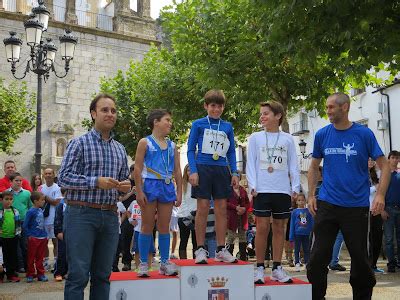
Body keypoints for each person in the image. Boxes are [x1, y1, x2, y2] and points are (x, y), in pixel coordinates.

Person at [307, 92, 390, 300]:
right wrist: (310, 195)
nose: (327, 111)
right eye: (326, 107)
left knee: (360, 260)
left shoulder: (364, 134)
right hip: (327, 204)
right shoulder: (322, 134)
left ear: (345, 107)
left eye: (331, 107)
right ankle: (316, 296)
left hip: (356, 207)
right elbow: (314, 166)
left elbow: (384, 166)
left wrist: (380, 195)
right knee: (317, 258)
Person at [58, 93, 130, 300]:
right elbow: (63, 178)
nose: (110, 114)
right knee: (78, 275)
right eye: (105, 110)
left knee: (103, 276)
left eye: (113, 111)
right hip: (81, 214)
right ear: (93, 113)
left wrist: (124, 187)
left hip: (109, 216)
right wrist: (95, 181)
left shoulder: (120, 149)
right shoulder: (78, 143)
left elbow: (120, 182)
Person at [247, 101, 300, 284]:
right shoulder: (255, 137)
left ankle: (277, 267)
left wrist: (295, 187)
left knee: (279, 228)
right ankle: (260, 267)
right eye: (261, 114)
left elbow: (293, 163)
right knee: (262, 228)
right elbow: (251, 163)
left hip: (282, 189)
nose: (262, 117)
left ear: (278, 116)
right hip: (262, 189)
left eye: (266, 113)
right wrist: (252, 185)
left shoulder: (287, 139)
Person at [187, 89, 239, 264]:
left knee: (221, 210)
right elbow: (190, 149)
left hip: (221, 169)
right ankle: (200, 249)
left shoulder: (227, 126)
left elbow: (231, 151)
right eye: (213, 106)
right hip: (202, 168)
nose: (216, 109)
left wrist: (235, 172)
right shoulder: (198, 124)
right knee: (202, 208)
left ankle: (220, 249)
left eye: (220, 106)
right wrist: (193, 170)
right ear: (206, 106)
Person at [133, 109, 182, 277]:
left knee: (164, 226)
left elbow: (177, 170)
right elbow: (137, 168)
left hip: (167, 186)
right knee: (146, 226)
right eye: (167, 120)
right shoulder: (145, 142)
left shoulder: (172, 145)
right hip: (150, 184)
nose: (170, 123)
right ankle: (144, 264)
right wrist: (139, 191)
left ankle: (164, 262)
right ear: (156, 122)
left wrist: (180, 192)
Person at [7, 172, 32, 273]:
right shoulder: (7, 193)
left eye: (20, 180)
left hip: (24, 222)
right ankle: (19, 266)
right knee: (14, 245)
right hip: (11, 223)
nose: (18, 182)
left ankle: (27, 265)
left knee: (25, 244)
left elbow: (30, 208)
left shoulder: (27, 193)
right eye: (16, 180)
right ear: (11, 182)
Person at [381, 150, 400, 273]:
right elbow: (380, 193)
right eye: (392, 157)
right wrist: (382, 209)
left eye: (397, 157)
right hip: (388, 208)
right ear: (389, 159)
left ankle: (399, 262)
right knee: (388, 239)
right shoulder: (384, 174)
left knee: (399, 238)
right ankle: (391, 263)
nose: (395, 159)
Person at [24, 191, 48, 283]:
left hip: (42, 237)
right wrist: (29, 235)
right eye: (42, 200)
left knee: (40, 257)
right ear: (35, 201)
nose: (43, 202)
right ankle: (30, 274)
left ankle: (40, 274)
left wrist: (45, 234)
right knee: (31, 257)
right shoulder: (30, 211)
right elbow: (25, 225)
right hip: (34, 238)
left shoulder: (40, 210)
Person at [41, 168, 62, 272]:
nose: (48, 175)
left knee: (55, 242)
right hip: (43, 219)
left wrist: (45, 197)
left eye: (50, 173)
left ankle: (55, 263)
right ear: (43, 175)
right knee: (44, 242)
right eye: (46, 173)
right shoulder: (41, 188)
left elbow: (57, 203)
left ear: (54, 175)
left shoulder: (57, 188)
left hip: (54, 219)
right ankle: (45, 263)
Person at [0, 190, 21, 282]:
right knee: (2, 257)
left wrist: (18, 234)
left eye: (11, 199)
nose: (9, 201)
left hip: (13, 237)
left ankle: (11, 274)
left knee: (12, 256)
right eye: (6, 199)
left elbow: (18, 224)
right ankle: (1, 275)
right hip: (2, 238)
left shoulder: (15, 211)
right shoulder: (1, 212)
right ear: (1, 200)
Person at [127, 198, 155, 270]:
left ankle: (149, 267)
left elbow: (157, 212)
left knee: (149, 249)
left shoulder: (151, 201)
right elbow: (128, 211)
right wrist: (130, 220)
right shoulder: (134, 202)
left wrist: (152, 219)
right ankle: (137, 267)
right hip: (137, 229)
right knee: (137, 250)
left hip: (148, 229)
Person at [177, 164, 197, 259]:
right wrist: (188, 216)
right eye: (188, 170)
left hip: (196, 216)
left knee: (196, 242)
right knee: (183, 240)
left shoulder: (198, 184)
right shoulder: (183, 185)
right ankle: (183, 262)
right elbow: (182, 202)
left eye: (191, 170)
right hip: (183, 216)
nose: (190, 172)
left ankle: (196, 261)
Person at [118, 164, 136, 271]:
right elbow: (120, 198)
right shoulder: (126, 182)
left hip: (139, 214)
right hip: (127, 213)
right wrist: (131, 192)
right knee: (126, 237)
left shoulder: (142, 182)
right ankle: (126, 262)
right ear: (131, 171)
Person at [289, 193, 313, 271]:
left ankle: (307, 263)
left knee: (306, 249)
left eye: (302, 200)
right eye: (299, 200)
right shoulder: (294, 212)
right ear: (296, 202)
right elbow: (292, 224)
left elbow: (311, 222)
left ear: (305, 201)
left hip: (306, 234)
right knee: (297, 249)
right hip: (297, 234)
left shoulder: (308, 211)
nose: (301, 202)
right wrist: (291, 236)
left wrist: (312, 230)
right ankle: (297, 263)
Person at [368, 159, 384, 273]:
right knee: (367, 239)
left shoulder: (377, 175)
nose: (370, 162)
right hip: (365, 210)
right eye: (368, 160)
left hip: (376, 211)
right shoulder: (360, 174)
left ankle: (373, 264)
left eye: (372, 160)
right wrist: (375, 188)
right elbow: (360, 191)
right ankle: (366, 264)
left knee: (377, 238)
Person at [226, 184, 250, 261]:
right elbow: (225, 203)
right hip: (232, 217)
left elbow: (248, 202)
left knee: (243, 237)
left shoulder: (242, 190)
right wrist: (236, 207)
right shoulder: (228, 189)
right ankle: (229, 256)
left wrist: (244, 209)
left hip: (242, 217)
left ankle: (243, 257)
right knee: (231, 237)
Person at [54, 188, 68, 281]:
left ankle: (68, 272)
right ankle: (59, 272)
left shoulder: (75, 204)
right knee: (62, 253)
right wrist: (58, 231)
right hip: (62, 232)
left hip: (74, 232)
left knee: (72, 254)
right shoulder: (61, 204)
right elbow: (57, 219)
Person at [112, 200, 127, 272]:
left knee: (117, 250)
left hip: (117, 230)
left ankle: (115, 266)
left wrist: (121, 221)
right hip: (108, 229)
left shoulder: (119, 203)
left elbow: (124, 212)